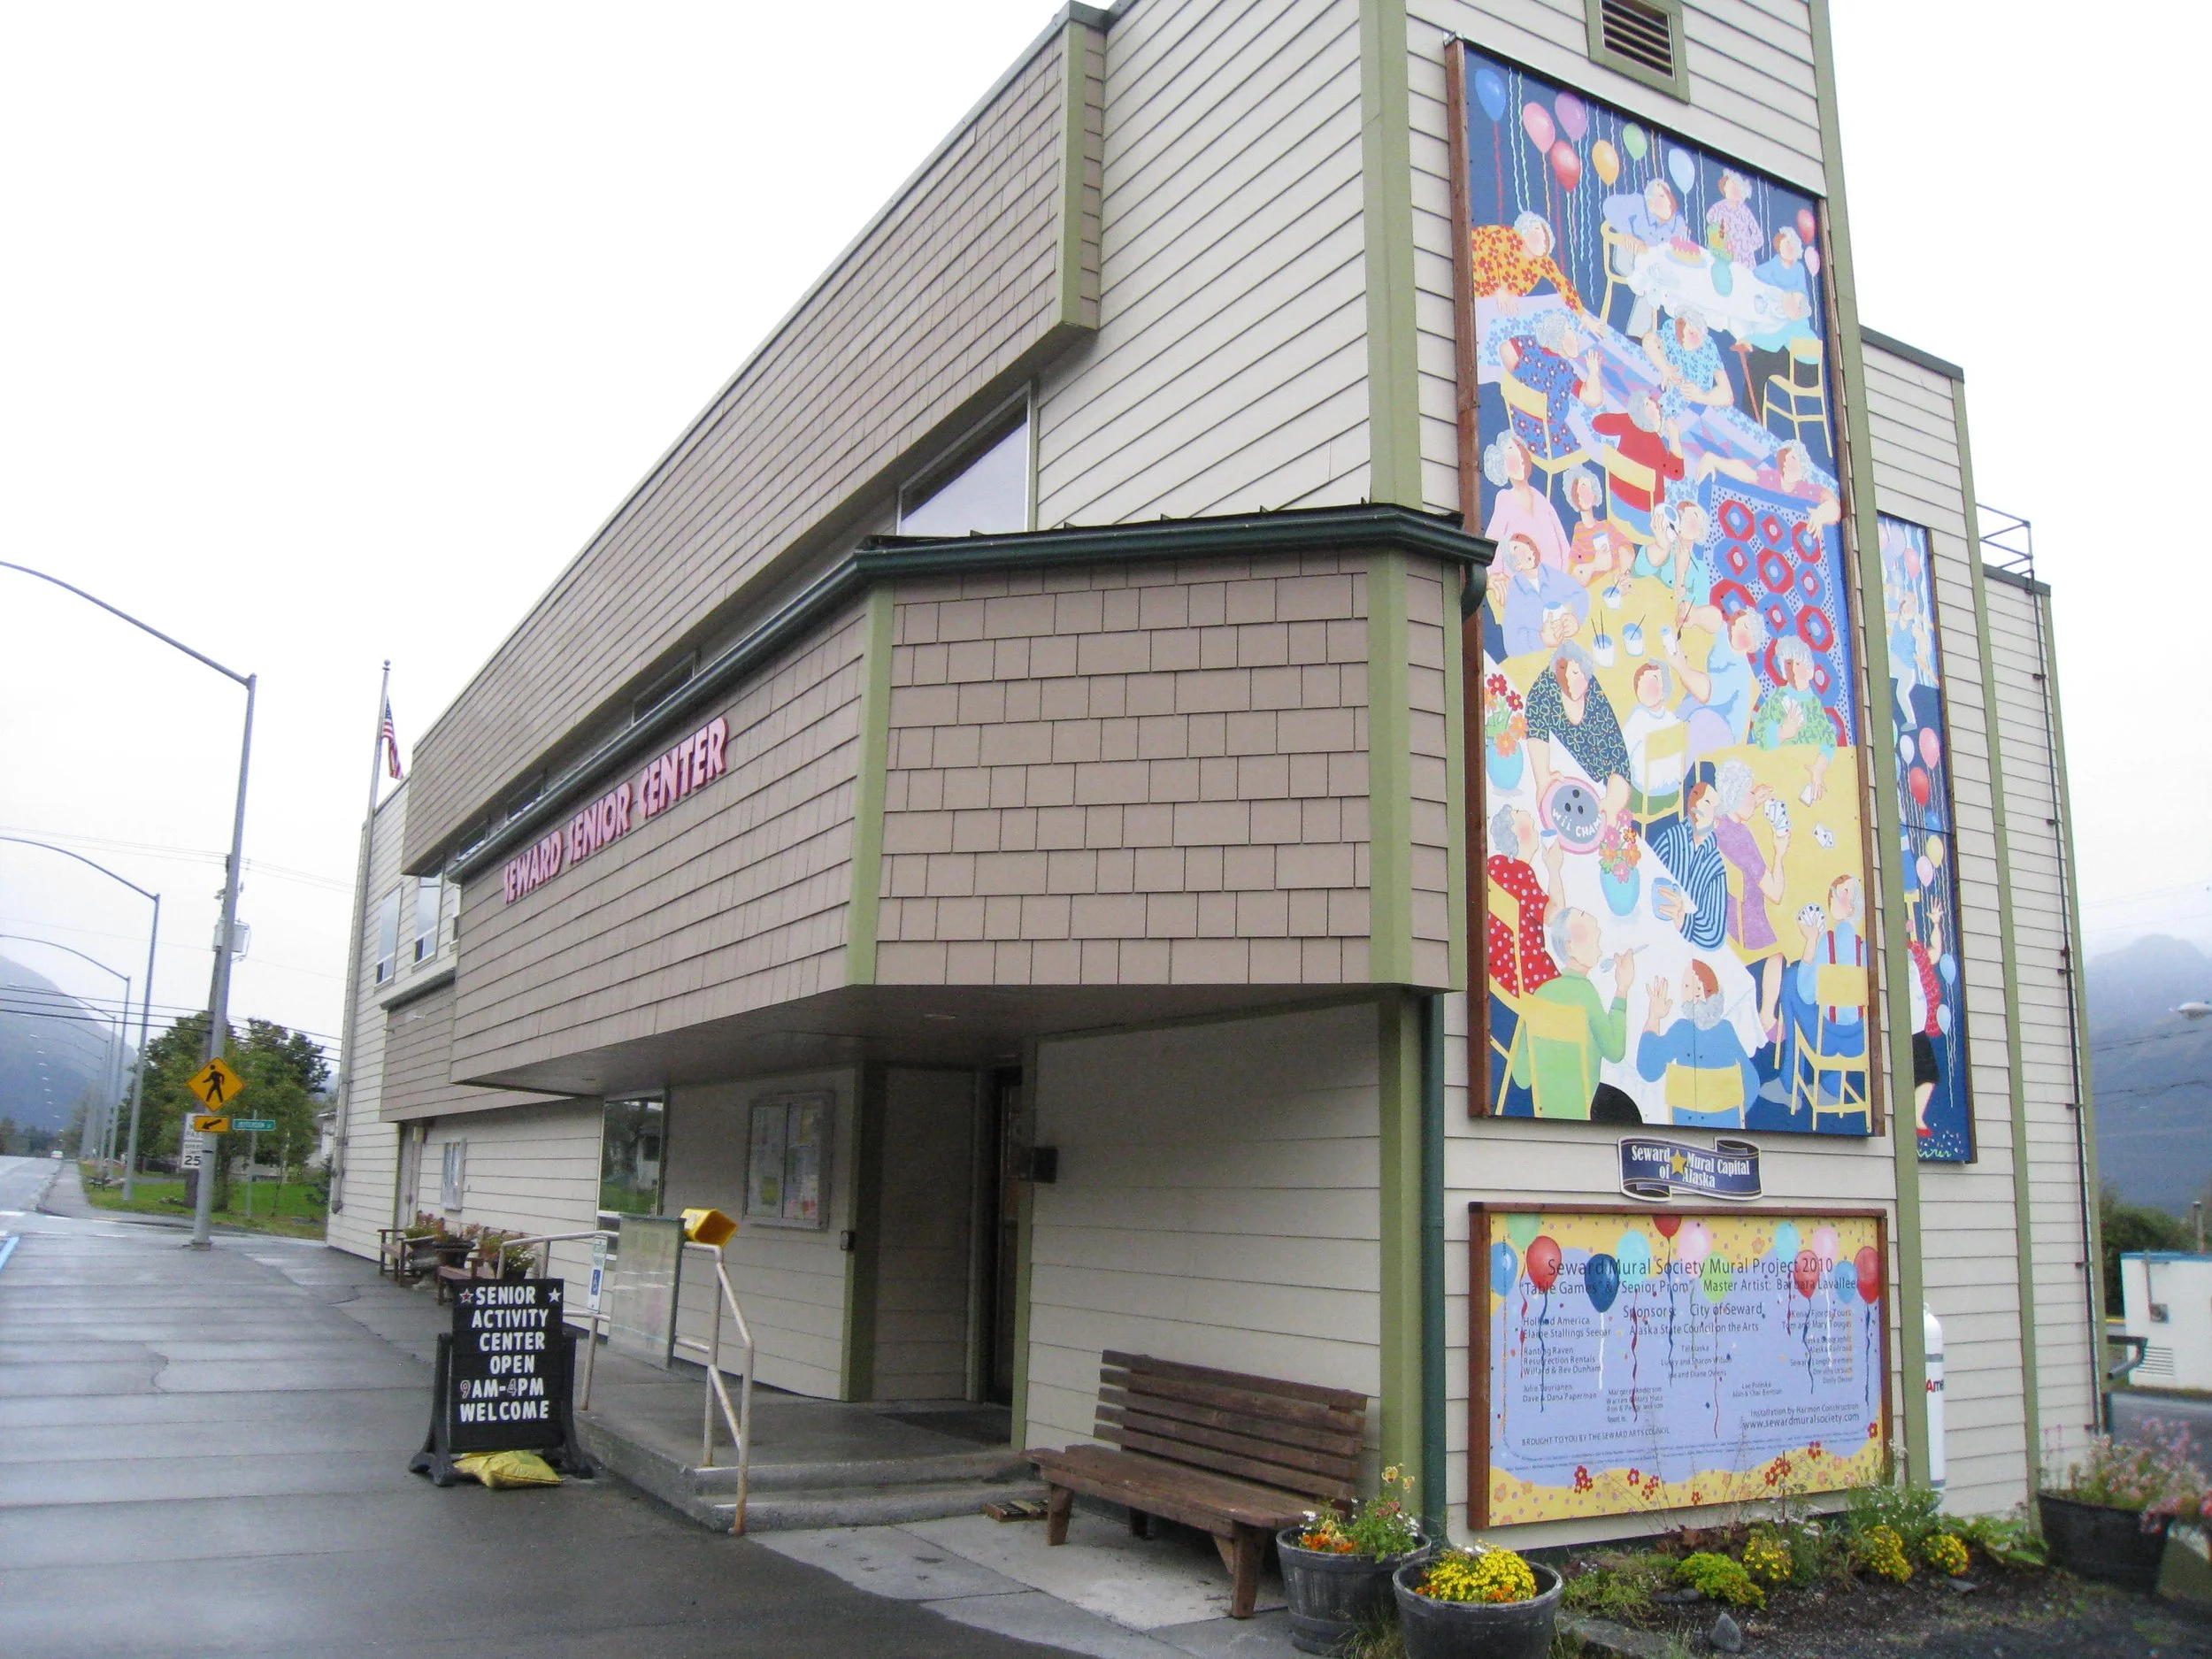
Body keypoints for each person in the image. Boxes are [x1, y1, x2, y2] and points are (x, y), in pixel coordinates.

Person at [1509, 907, 1635, 1120]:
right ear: (1570, 946)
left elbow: (1521, 1076)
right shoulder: (1586, 995)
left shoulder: (1541, 993)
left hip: (1542, 1110)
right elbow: (1615, 1051)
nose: (1598, 934)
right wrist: (1622, 989)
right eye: (1590, 931)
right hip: (1584, 1112)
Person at [1711, 759, 1789, 1042]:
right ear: (1734, 797)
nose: (1753, 797)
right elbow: (1776, 893)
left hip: (1724, 908)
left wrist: (1754, 799)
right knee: (1782, 949)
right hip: (1747, 921)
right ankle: (1767, 1014)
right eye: (1748, 793)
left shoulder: (1719, 823)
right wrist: (1780, 852)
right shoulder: (1742, 838)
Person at [1636, 960, 1759, 1128]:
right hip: (1728, 1125)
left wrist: (1654, 1017)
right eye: (1686, 986)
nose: (1686, 990)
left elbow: (1649, 1070)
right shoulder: (1726, 1030)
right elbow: (1752, 1082)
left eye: (1689, 987)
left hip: (1684, 1127)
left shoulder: (1681, 1030)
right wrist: (1733, 1112)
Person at [1523, 640, 1631, 818]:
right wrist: (1543, 778)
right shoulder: (1545, 686)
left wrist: (1612, 802)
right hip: (1560, 774)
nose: (1568, 679)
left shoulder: (1596, 698)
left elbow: (1619, 761)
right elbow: (1536, 731)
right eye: (1563, 670)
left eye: (1575, 673)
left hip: (1595, 786)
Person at [1782, 874, 1868, 1082]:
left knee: (1791, 981)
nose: (1836, 892)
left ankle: (1790, 1080)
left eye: (1846, 891)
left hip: (1827, 1040)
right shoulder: (1864, 948)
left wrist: (1811, 940)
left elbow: (1807, 994)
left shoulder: (1827, 944)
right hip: (1859, 1040)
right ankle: (1832, 1086)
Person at [1498, 308, 1604, 459]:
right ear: (1559, 338)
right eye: (1570, 330)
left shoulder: (1530, 346)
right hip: (1547, 441)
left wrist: (1519, 383)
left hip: (1520, 427)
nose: (1575, 337)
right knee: (1588, 450)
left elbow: (1505, 348)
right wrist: (1593, 372)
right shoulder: (1564, 370)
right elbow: (1594, 399)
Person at [1668, 603, 1766, 762]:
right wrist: (1696, 614)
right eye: (1738, 620)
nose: (1736, 626)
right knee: (1679, 714)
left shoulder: (1739, 672)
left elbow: (1708, 691)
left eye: (1746, 627)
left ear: (1753, 646)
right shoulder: (1727, 639)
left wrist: (1682, 668)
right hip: (1705, 708)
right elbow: (1716, 621)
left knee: (1696, 728)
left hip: (1723, 729)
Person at [1589, 388, 1686, 543]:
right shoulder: (1656, 445)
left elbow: (1598, 423)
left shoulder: (1627, 423)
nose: (1657, 408)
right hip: (1644, 519)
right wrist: (1675, 438)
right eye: (1651, 404)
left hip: (1614, 503)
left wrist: (1627, 417)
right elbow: (1677, 473)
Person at [1486, 807, 1563, 997]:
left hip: (1498, 972)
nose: (1536, 830)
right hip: (1529, 977)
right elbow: (1555, 916)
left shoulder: (1492, 865)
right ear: (1517, 836)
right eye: (1530, 826)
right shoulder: (1520, 873)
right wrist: (1554, 869)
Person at [1747, 634, 1836, 801]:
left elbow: (1829, 741)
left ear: (1810, 670)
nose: (1793, 669)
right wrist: (1781, 733)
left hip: (1805, 784)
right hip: (1780, 778)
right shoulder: (1778, 700)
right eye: (1788, 663)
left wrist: (1818, 768)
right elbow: (1758, 734)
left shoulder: (1815, 705)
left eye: (1798, 663)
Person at [1647, 772, 1728, 951]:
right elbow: (1648, 871)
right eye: (1696, 795)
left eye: (1707, 802)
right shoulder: (1671, 838)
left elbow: (1715, 932)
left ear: (1717, 821)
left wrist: (1684, 921)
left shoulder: (1715, 867)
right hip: (1650, 928)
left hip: (1683, 946)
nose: (1697, 804)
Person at [1743, 227, 1817, 413]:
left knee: (1757, 361)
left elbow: (1774, 342)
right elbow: (1757, 273)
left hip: (1800, 372)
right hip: (1813, 373)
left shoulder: (1792, 325)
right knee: (1762, 359)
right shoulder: (1804, 325)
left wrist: (1748, 338)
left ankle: (1752, 415)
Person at [1601, 180, 1687, 336]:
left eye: (1667, 196)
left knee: (1654, 283)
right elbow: (1609, 204)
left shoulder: (1678, 221)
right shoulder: (1638, 203)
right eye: (1661, 196)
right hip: (1628, 257)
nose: (1667, 201)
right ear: (1650, 202)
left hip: (1653, 267)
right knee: (1651, 284)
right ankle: (1639, 335)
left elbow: (1678, 250)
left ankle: (1637, 337)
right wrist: (1626, 232)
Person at [1481, 431, 1572, 574]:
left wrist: (1564, 580)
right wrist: (1494, 576)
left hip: (1553, 584)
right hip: (1521, 585)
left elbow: (1563, 545)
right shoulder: (1505, 499)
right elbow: (1492, 544)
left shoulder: (1541, 499)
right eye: (1511, 458)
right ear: (1501, 465)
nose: (1519, 461)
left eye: (1521, 455)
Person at [1699, 439, 1840, 529]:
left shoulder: (1808, 491)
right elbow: (1747, 474)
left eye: (1793, 458)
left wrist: (1821, 515)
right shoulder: (1771, 480)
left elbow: (1834, 506)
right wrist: (1714, 460)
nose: (1787, 463)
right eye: (1785, 458)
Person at [1487, 532, 1586, 658]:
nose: (1526, 548)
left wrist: (1576, 619)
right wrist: (1541, 639)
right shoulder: (1515, 593)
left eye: (1527, 543)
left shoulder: (1550, 574)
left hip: (1569, 653)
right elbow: (1511, 645)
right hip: (1540, 661)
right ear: (1515, 565)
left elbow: (1581, 594)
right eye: (1516, 548)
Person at [1468, 211, 1584, 313]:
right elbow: (1484, 252)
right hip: (1465, 269)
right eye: (1538, 229)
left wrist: (1583, 316)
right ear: (1527, 228)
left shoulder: (1542, 263)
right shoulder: (1508, 237)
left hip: (1481, 303)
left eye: (1547, 239)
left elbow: (1562, 284)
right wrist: (1497, 289)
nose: (1543, 238)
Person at [1644, 311, 1733, 432]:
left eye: (1691, 333)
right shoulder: (1672, 330)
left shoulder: (1708, 348)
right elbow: (1648, 340)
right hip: (1675, 391)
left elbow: (1728, 396)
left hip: (1693, 399)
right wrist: (1665, 368)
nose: (1685, 340)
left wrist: (1702, 396)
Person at [1623, 660, 1687, 814]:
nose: (1646, 688)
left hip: (1644, 798)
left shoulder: (1638, 718)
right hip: (1674, 794)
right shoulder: (1675, 721)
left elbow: (1622, 749)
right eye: (1642, 684)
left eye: (1652, 682)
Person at [1561, 466, 1624, 588]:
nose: (1583, 494)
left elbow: (1624, 546)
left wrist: (1623, 573)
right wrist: (1594, 565)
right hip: (1589, 587)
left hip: (1611, 582)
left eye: (1587, 489)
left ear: (1594, 494)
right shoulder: (1578, 529)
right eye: (1579, 490)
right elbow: (1573, 565)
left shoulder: (1605, 526)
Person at [1908, 932, 1944, 1139]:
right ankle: (1914, 1117)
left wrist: (1936, 924)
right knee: (1921, 1075)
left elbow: (1936, 952)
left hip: (1918, 1030)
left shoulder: (1918, 958)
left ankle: (1916, 1116)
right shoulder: (1903, 963)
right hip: (1905, 1029)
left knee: (1928, 1075)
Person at [1704, 170, 1763, 265]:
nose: (1734, 191)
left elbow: (1759, 238)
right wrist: (1722, 231)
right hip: (1724, 256)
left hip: (1746, 261)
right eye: (1731, 187)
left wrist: (1745, 247)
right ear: (1724, 189)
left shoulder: (1745, 211)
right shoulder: (1719, 208)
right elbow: (1711, 220)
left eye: (1737, 188)